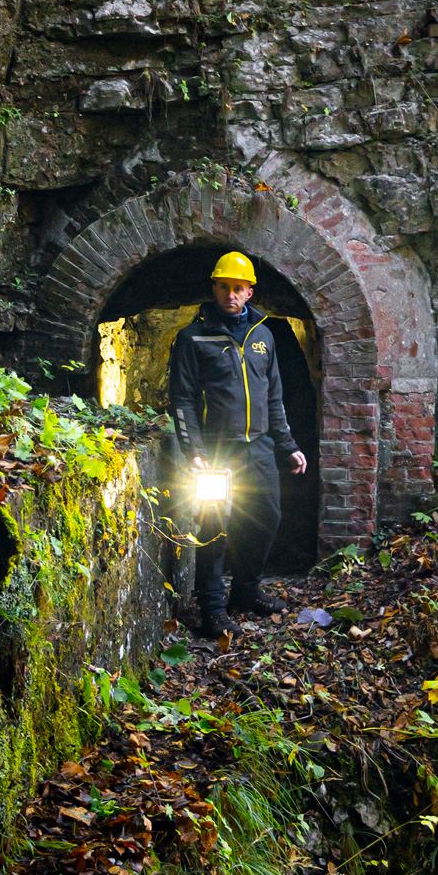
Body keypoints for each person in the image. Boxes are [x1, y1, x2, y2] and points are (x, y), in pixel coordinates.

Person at [167, 251, 309, 637]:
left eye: (238, 288)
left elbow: (273, 395)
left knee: (267, 517)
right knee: (215, 528)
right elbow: (182, 400)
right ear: (214, 288)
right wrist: (194, 451)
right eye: (224, 287)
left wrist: (288, 444)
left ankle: (246, 591)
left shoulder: (263, 335)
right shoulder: (193, 338)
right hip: (217, 452)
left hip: (259, 448)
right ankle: (212, 609)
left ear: (250, 292)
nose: (230, 294)